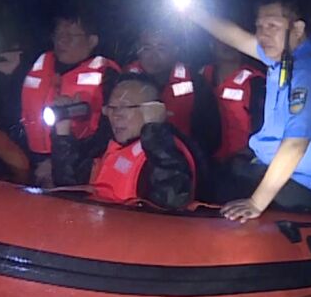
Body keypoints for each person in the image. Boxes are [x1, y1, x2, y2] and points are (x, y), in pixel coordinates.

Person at [182, 0, 311, 222]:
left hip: (308, 185)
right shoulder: (287, 52)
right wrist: (193, 13)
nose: (263, 34)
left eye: (272, 26)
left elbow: (296, 145)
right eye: (259, 26)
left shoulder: (307, 70)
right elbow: (236, 37)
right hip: (285, 171)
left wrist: (255, 203)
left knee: (210, 190)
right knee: (220, 170)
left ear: (298, 28)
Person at [49, 73, 206, 211]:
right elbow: (69, 187)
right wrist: (62, 132)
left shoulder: (168, 151)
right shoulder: (105, 144)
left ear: (152, 110)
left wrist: (154, 129)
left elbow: (169, 203)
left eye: (125, 107)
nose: (116, 116)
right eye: (112, 108)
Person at [20, 12, 121, 188]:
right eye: (58, 35)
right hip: (34, 166)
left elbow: (110, 133)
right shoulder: (38, 64)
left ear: (92, 41)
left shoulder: (108, 76)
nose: (61, 41)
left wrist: (57, 162)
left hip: (79, 170)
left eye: (70, 36)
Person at [125, 24, 222, 159]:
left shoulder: (196, 83)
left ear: (175, 51)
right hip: (133, 159)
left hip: (180, 161)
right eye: (146, 48)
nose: (152, 56)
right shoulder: (124, 81)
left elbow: (210, 135)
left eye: (161, 48)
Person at [199, 38, 266, 163]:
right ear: (211, 44)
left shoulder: (256, 82)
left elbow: (262, 128)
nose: (228, 45)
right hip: (206, 160)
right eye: (221, 40)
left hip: (242, 163)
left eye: (232, 41)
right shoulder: (201, 75)